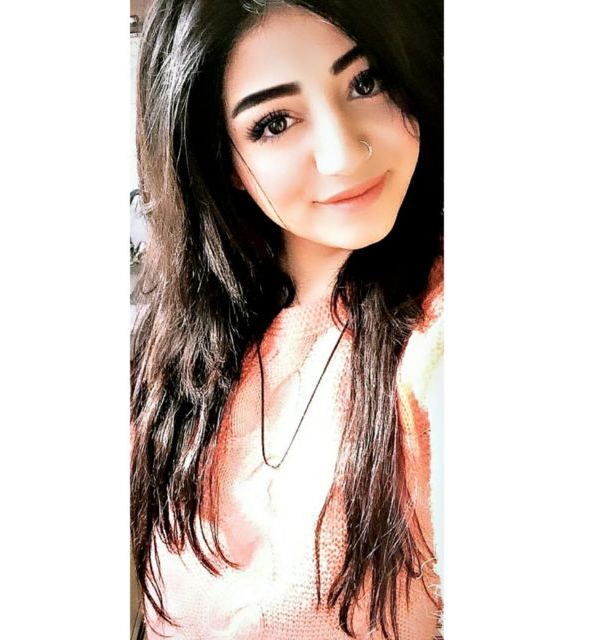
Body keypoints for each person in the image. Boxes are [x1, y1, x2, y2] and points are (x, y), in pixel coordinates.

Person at [130, 0, 443, 638]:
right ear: (222, 160)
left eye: (366, 81)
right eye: (275, 122)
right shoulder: (171, 354)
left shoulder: (436, 340)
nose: (343, 153)